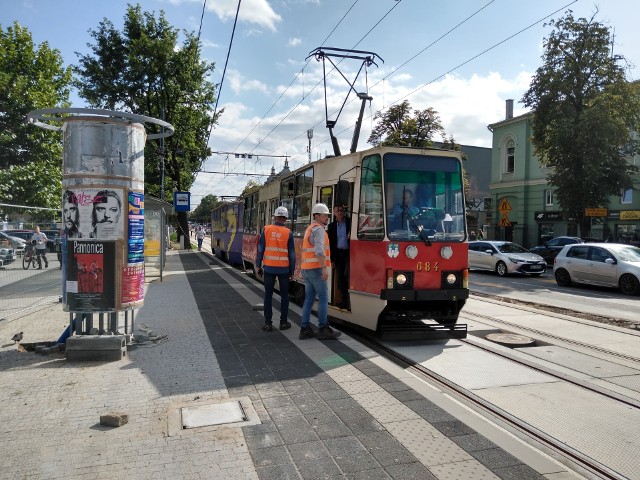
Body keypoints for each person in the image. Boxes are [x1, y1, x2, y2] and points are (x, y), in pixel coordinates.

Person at [300, 203, 341, 340]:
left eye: (328, 215)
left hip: (306, 269)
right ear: (317, 215)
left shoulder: (309, 229)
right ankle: (323, 328)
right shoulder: (319, 230)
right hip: (316, 269)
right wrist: (324, 268)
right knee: (323, 298)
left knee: (309, 299)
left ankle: (304, 329)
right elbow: (319, 251)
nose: (327, 218)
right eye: (325, 215)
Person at [256, 206, 295, 332]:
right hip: (284, 269)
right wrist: (292, 271)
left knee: (268, 295)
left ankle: (268, 323)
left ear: (274, 217)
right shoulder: (288, 233)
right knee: (284, 296)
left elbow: (261, 249)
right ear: (286, 218)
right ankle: (283, 322)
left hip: (269, 268)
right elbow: (292, 254)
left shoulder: (266, 229)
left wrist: (258, 265)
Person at [328, 205, 351, 310]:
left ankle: (349, 300)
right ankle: (343, 301)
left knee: (347, 274)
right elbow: (331, 244)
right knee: (340, 278)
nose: (339, 212)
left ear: (344, 212)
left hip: (349, 254)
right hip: (338, 254)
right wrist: (332, 260)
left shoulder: (350, 223)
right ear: (334, 213)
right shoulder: (331, 226)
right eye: (337, 211)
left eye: (341, 210)